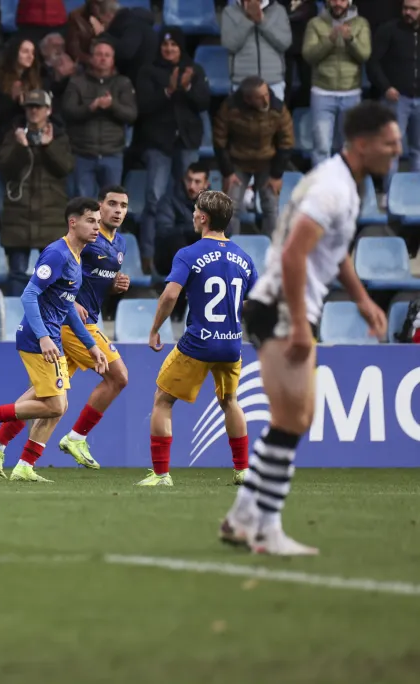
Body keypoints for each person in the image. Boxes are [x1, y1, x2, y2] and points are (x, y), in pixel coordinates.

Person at [220, 101, 399, 556]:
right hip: (283, 306)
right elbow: (294, 255)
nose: (397, 150)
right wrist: (300, 324)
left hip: (286, 306)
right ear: (363, 144)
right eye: (390, 142)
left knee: (292, 419)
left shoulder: (345, 184)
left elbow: (332, 251)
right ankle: (266, 529)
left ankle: (243, 517)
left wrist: (361, 299)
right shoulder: (333, 189)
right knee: (295, 418)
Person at [0, 197, 109, 482]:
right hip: (36, 338)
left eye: (98, 222)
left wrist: (91, 346)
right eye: (91, 221)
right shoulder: (57, 254)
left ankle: (23, 465)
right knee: (55, 405)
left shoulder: (76, 256)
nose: (97, 227)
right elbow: (29, 295)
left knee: (57, 405)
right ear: (73, 222)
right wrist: (43, 336)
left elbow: (66, 306)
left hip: (51, 335)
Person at [141, 190, 258, 488]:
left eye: (195, 211)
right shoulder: (244, 258)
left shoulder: (189, 253)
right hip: (232, 343)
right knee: (230, 401)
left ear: (203, 218)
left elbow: (170, 294)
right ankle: (243, 470)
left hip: (199, 342)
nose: (193, 215)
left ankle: (161, 474)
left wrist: (155, 328)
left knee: (163, 400)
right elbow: (253, 303)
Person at [56, 185, 130, 467]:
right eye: (112, 204)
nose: (118, 210)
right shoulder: (87, 237)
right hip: (74, 323)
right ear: (100, 206)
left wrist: (115, 286)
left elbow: (94, 281)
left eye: (123, 205)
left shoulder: (119, 244)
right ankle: (76, 436)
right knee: (119, 377)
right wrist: (68, 299)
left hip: (85, 320)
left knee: (49, 394)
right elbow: (60, 266)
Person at [134, 27, 209, 271]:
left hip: (186, 142)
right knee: (154, 200)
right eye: (165, 45)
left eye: (174, 45)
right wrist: (169, 90)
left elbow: (203, 102)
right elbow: (142, 106)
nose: (169, 49)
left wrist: (186, 88)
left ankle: (193, 256)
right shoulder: (148, 71)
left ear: (180, 48)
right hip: (158, 143)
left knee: (194, 199)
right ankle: (148, 256)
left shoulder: (194, 70)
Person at [0, 89, 75, 296]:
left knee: (52, 276)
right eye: (30, 107)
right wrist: (20, 147)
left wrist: (48, 146)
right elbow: (4, 168)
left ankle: (49, 323)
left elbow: (65, 167)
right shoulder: (14, 135)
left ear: (48, 110)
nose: (33, 111)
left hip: (50, 216)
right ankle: (14, 323)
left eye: (38, 107)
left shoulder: (59, 137)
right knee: (17, 274)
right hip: (18, 216)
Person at [214, 76, 295, 237]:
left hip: (267, 163)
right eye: (261, 97)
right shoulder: (230, 108)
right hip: (238, 163)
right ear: (248, 99)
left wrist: (276, 175)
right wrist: (228, 173)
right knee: (230, 208)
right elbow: (219, 141)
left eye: (267, 94)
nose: (267, 99)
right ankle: (230, 251)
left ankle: (271, 253)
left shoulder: (277, 108)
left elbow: (287, 142)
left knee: (271, 208)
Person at [61, 38, 137, 200]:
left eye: (107, 55)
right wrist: (91, 107)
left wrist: (112, 105)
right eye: (99, 54)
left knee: (113, 205)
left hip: (112, 153)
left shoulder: (123, 83)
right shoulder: (77, 82)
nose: (103, 58)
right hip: (82, 153)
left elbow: (131, 115)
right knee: (83, 204)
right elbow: (68, 112)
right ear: (91, 58)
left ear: (113, 59)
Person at [302, 0, 371, 167]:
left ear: (349, 2)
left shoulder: (361, 23)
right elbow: (308, 55)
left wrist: (351, 40)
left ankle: (346, 187)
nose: (337, 4)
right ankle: (321, 189)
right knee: (321, 147)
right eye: (333, 0)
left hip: (351, 93)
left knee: (349, 147)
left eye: (341, 0)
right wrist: (329, 40)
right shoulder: (315, 23)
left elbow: (364, 55)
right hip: (322, 93)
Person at [368, 0, 420, 191]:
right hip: (397, 100)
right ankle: (390, 195)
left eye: (413, 9)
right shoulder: (389, 30)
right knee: (391, 149)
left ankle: (415, 196)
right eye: (405, 8)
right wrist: (386, 87)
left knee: (418, 150)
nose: (408, 12)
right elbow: (373, 62)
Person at [222, 0, 292, 102]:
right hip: (242, 83)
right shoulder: (229, 12)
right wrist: (248, 19)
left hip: (273, 82)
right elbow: (230, 44)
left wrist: (262, 21)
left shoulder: (278, 11)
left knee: (274, 118)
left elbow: (285, 43)